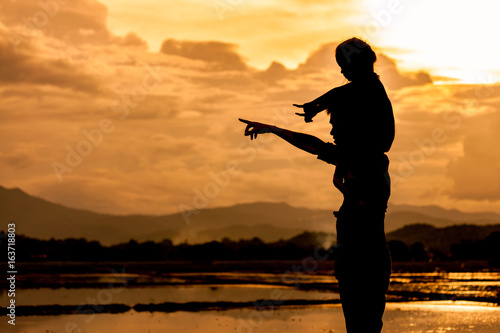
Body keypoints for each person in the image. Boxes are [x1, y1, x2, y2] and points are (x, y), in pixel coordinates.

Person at [239, 37, 394, 333]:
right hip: (360, 268)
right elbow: (321, 145)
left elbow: (321, 140)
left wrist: (310, 108)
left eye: (337, 124)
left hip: (364, 268)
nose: (333, 130)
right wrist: (275, 128)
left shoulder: (367, 161)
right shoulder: (362, 158)